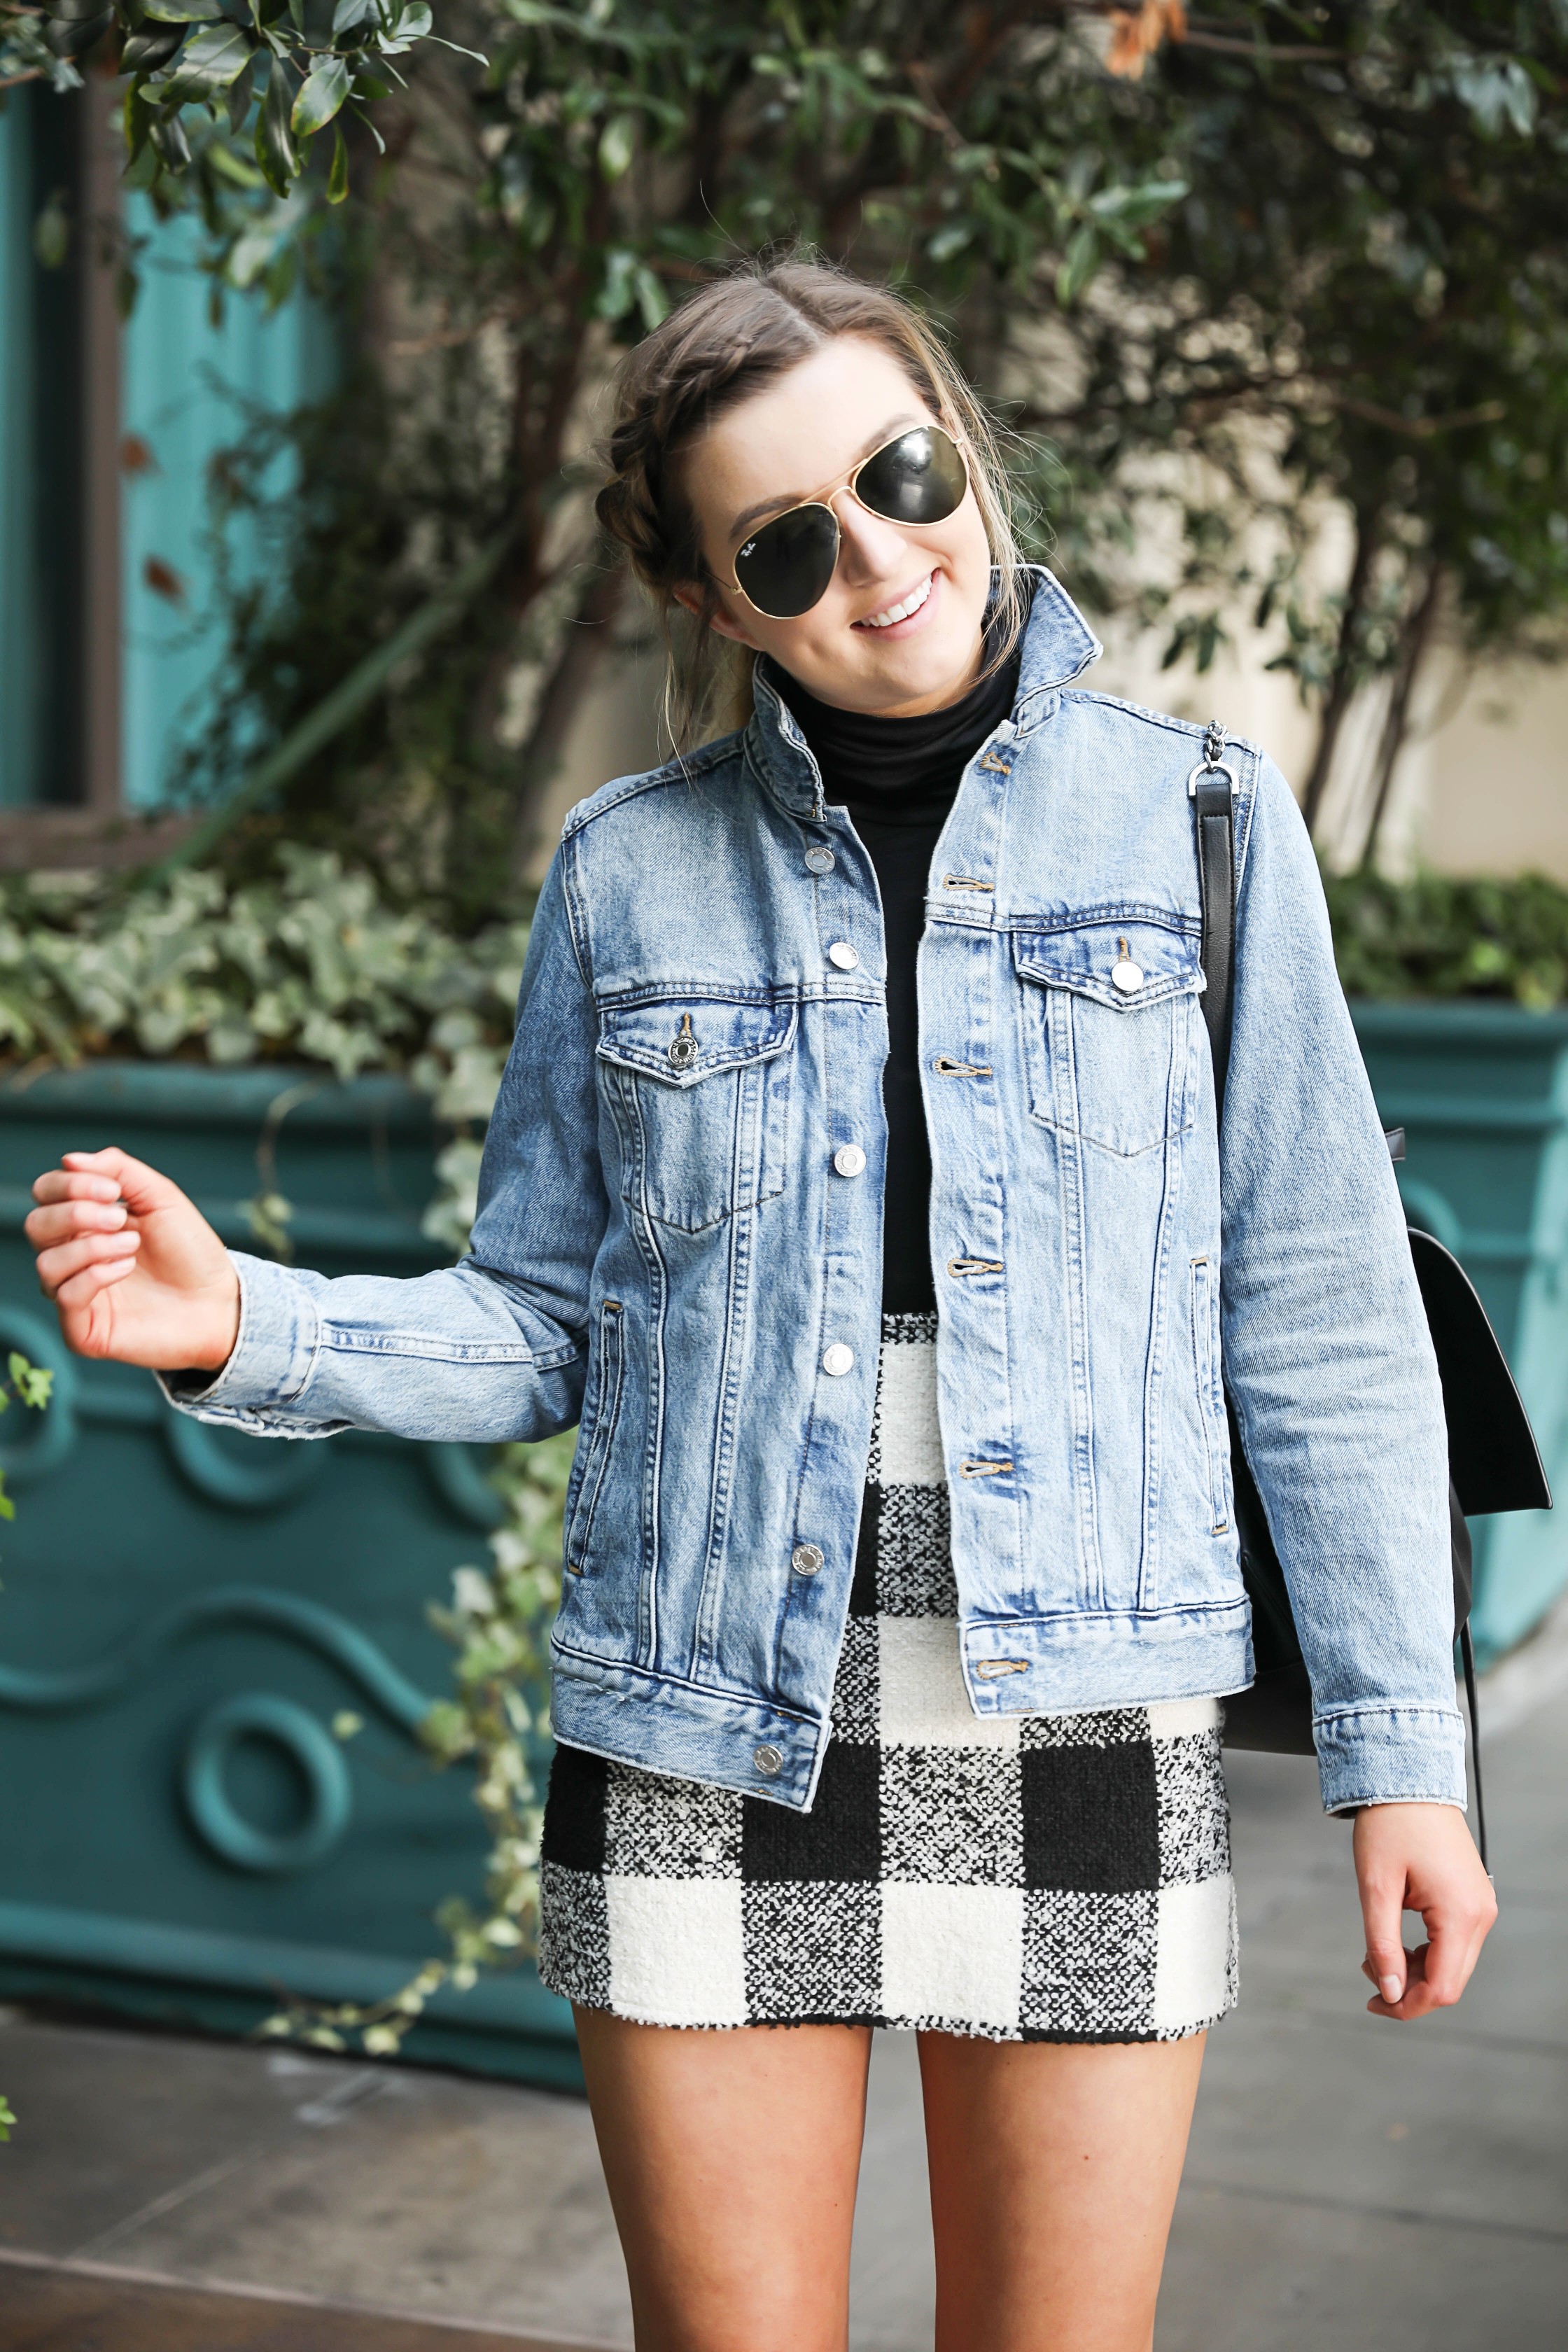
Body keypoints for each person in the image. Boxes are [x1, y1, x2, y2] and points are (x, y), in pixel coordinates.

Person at [25, 259, 1496, 2352]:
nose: (883, 558)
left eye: (905, 476)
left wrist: (1400, 1761)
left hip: (1074, 1685)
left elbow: (1324, 1319)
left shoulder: (1201, 817)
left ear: (968, 450)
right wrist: (235, 1322)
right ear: (717, 604)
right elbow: (544, 1322)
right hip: (706, 1708)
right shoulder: (629, 869)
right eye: (790, 542)